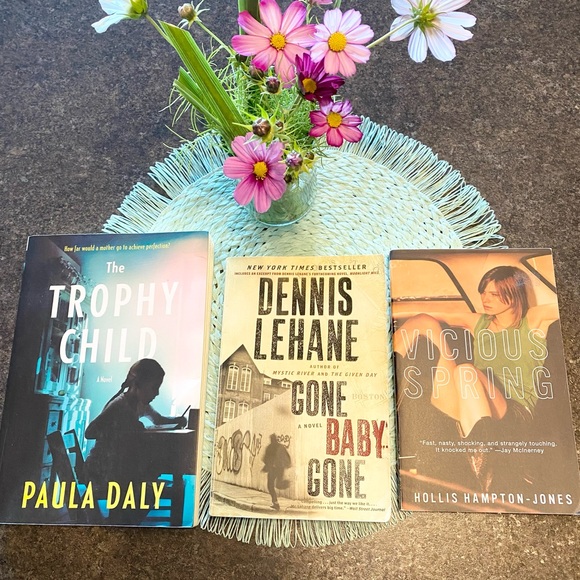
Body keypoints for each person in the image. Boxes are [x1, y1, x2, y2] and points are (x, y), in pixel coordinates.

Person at [393, 266, 558, 490]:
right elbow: (425, 310)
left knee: (465, 371)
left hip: (513, 413)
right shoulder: (479, 322)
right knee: (423, 321)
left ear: (514, 293)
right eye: (483, 292)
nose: (485, 299)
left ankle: (485, 478)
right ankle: (385, 388)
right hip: (471, 403)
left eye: (494, 294)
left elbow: (565, 302)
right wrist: (385, 306)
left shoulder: (534, 320)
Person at [84, 358, 187, 522]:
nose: (157, 393)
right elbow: (90, 432)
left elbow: (158, 419)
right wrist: (122, 429)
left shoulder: (141, 404)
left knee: (148, 481)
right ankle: (119, 522)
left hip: (120, 467)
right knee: (148, 490)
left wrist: (177, 420)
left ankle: (122, 520)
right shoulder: (119, 405)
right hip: (104, 469)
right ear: (138, 384)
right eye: (154, 387)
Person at [262, 434, 291, 511]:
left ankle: (275, 503)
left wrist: (268, 465)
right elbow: (287, 457)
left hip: (273, 469)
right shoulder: (281, 447)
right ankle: (285, 484)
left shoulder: (269, 447)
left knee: (270, 486)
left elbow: (265, 459)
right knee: (277, 484)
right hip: (280, 469)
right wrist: (286, 464)